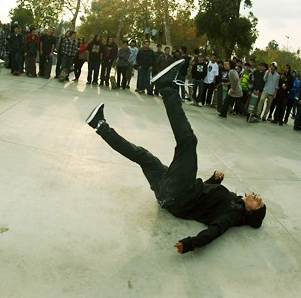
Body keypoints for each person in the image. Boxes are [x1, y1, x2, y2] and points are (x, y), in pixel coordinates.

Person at [86, 59, 266, 254]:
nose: (258, 198)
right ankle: (100, 125)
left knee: (188, 142)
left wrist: (192, 243)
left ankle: (166, 87)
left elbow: (216, 230)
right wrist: (213, 181)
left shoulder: (234, 212)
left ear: (251, 212)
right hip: (168, 194)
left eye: (259, 203)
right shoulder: (233, 201)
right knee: (143, 156)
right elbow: (203, 199)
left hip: (179, 194)